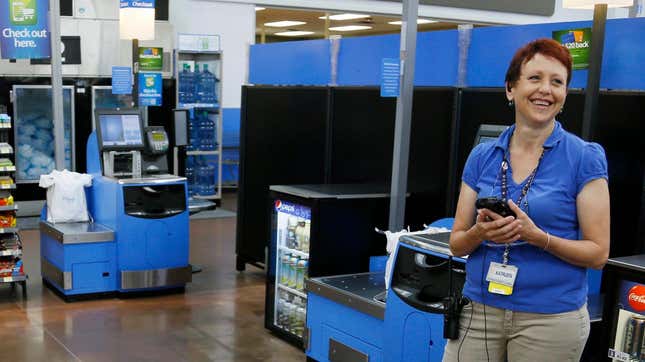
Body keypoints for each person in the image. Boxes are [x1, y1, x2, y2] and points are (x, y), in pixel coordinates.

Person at [443, 38, 610, 362]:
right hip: (481, 312)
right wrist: (480, 234)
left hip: (549, 320)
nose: (545, 90)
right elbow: (457, 243)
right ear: (510, 88)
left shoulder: (584, 158)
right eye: (535, 78)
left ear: (564, 96)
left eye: (557, 82)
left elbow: (598, 253)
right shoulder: (483, 156)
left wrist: (539, 238)